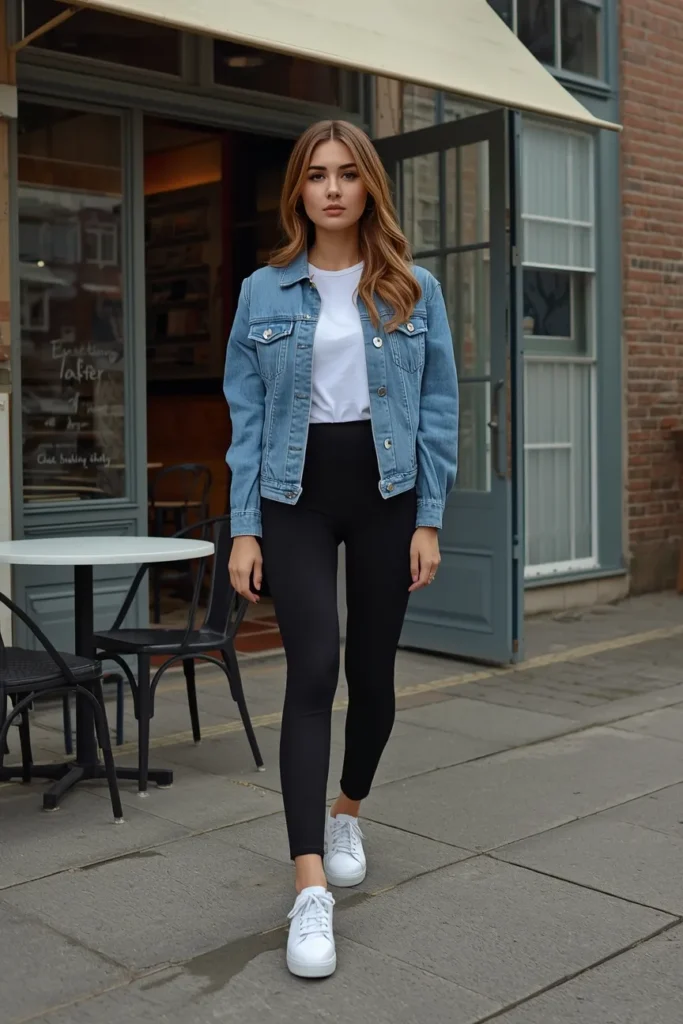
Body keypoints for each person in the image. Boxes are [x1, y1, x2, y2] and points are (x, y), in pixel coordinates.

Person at [223, 119, 458, 979]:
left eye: (346, 174)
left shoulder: (411, 288)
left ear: (368, 189)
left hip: (387, 491)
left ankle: (347, 807)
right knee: (312, 670)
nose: (330, 188)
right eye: (315, 174)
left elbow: (438, 408)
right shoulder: (262, 291)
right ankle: (308, 886)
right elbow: (245, 421)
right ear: (298, 191)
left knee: (374, 674)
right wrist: (243, 526)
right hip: (294, 494)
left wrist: (428, 515)